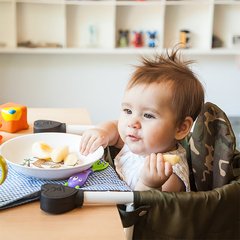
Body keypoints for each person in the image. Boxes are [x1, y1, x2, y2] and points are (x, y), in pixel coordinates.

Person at [80, 48, 205, 192]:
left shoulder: (169, 173)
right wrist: (101, 131)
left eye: (148, 115)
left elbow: (144, 211)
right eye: (128, 111)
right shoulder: (143, 143)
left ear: (181, 128)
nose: (132, 123)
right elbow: (115, 128)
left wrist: (150, 185)